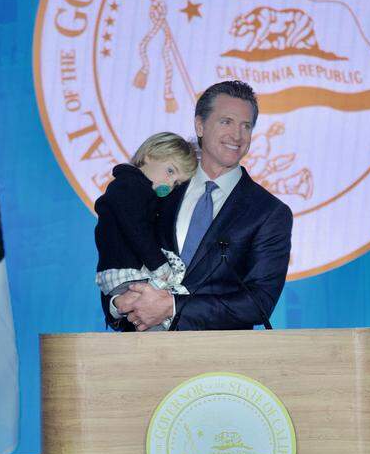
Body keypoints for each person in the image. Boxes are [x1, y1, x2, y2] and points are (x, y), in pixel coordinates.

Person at [104, 80, 293, 331]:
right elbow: (118, 253)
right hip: (141, 349)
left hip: (217, 363)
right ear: (200, 125)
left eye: (245, 126)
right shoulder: (161, 189)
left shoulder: (268, 213)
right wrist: (119, 303)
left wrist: (172, 306)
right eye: (226, 121)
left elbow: (258, 303)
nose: (237, 135)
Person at [94, 132, 197, 322]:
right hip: (126, 272)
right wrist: (160, 266)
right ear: (149, 154)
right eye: (170, 171)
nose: (170, 184)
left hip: (128, 275)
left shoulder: (142, 191)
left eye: (177, 183)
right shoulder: (129, 186)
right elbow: (137, 231)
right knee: (157, 322)